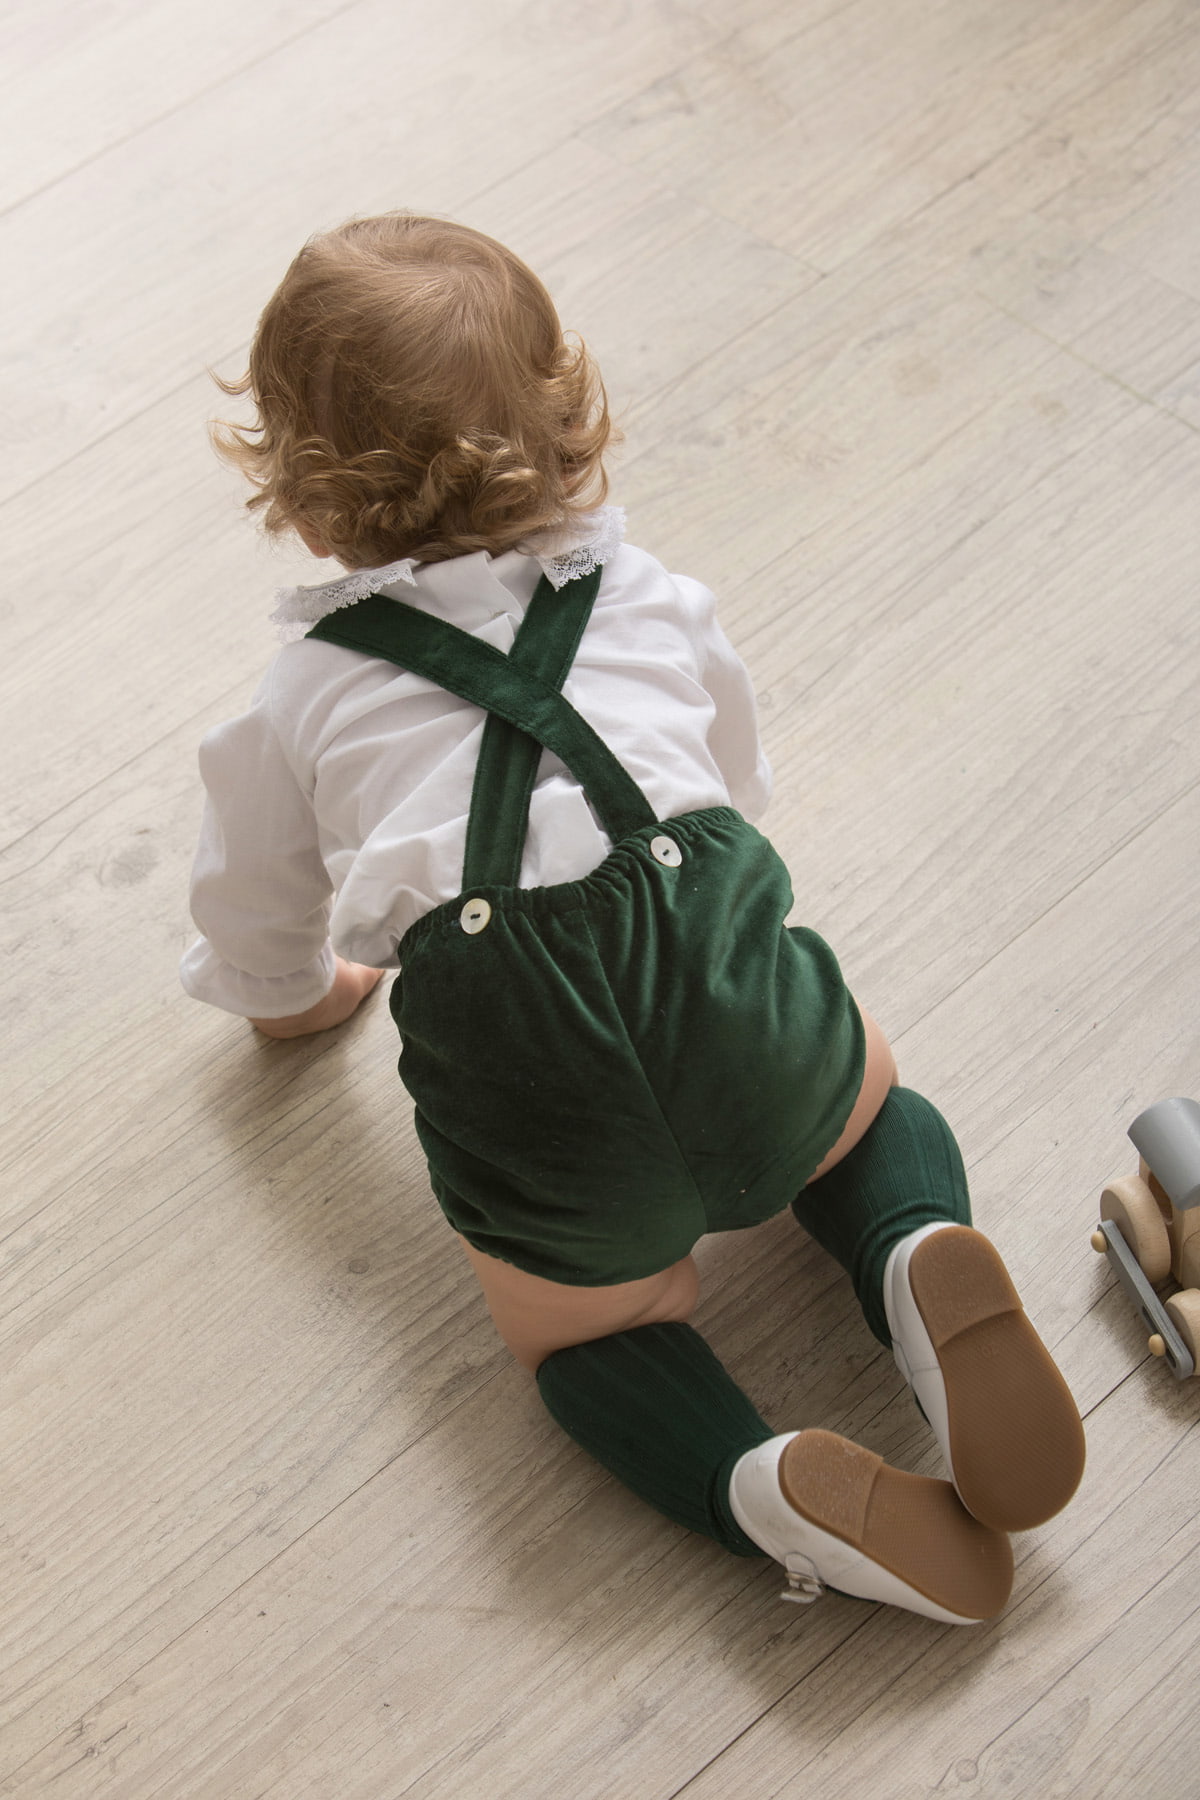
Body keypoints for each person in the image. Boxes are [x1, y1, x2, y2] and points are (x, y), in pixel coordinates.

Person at [182, 212, 1085, 1625]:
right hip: (716, 965)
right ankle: (908, 1246)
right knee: (859, 1093)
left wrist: (296, 997)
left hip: (534, 1074)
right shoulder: (651, 596)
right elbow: (730, 783)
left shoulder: (295, 701)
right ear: (571, 432)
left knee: (578, 1328)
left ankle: (750, 1476)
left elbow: (256, 918)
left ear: (299, 502)